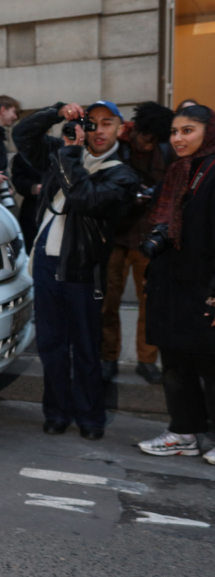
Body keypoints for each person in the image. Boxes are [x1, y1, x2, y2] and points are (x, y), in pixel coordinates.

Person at [13, 101, 140, 440]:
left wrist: (70, 154)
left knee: (85, 347)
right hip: (46, 263)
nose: (99, 130)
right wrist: (57, 113)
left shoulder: (122, 175)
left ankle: (90, 418)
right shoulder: (63, 150)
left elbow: (84, 197)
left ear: (120, 129)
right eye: (92, 123)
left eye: (107, 123)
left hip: (83, 270)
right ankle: (56, 412)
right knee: (51, 346)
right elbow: (22, 134)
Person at [137, 105, 215, 462]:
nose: (179, 138)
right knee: (176, 362)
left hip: (204, 287)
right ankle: (184, 431)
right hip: (171, 285)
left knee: (210, 364)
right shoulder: (177, 172)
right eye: (175, 131)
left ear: (208, 132)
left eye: (188, 131)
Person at [101, 102, 175, 385]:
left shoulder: (165, 151)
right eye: (147, 137)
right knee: (109, 303)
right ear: (138, 130)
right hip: (115, 237)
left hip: (148, 238)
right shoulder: (116, 147)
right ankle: (108, 358)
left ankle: (147, 360)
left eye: (156, 140)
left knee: (151, 304)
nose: (150, 144)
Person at [10, 152, 42, 252]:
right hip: (33, 205)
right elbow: (18, 180)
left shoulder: (57, 150)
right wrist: (34, 188)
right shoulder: (22, 156)